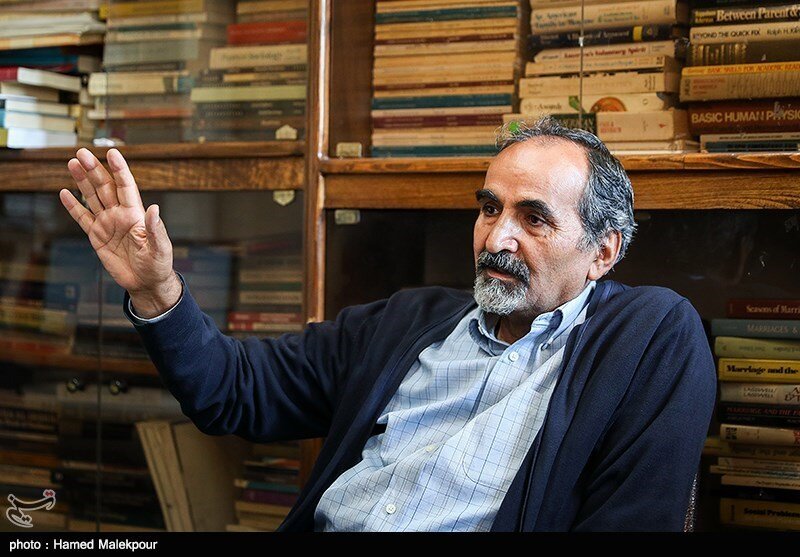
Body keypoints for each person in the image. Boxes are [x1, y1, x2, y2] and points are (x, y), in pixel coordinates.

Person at [58, 117, 716, 532]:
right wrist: (158, 291)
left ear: (603, 251)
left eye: (534, 218)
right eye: (490, 209)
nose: (497, 238)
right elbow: (233, 390)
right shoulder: (407, 321)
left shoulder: (647, 336)